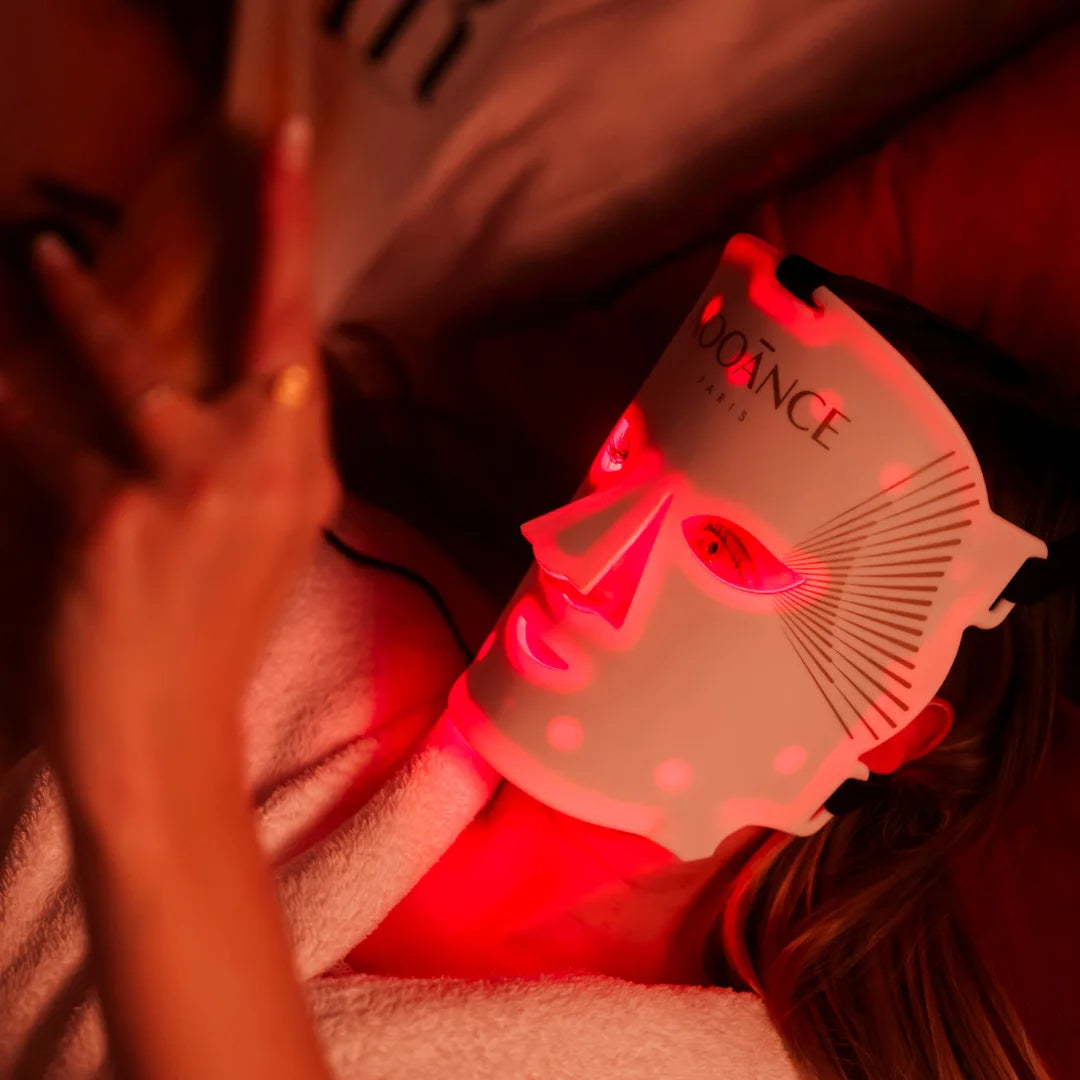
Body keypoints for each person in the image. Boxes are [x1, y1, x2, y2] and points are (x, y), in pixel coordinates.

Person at [1, 5, 1077, 1080]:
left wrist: (156, 763)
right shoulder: (294, 590)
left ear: (893, 727)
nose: (568, 547)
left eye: (724, 550)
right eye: (620, 471)